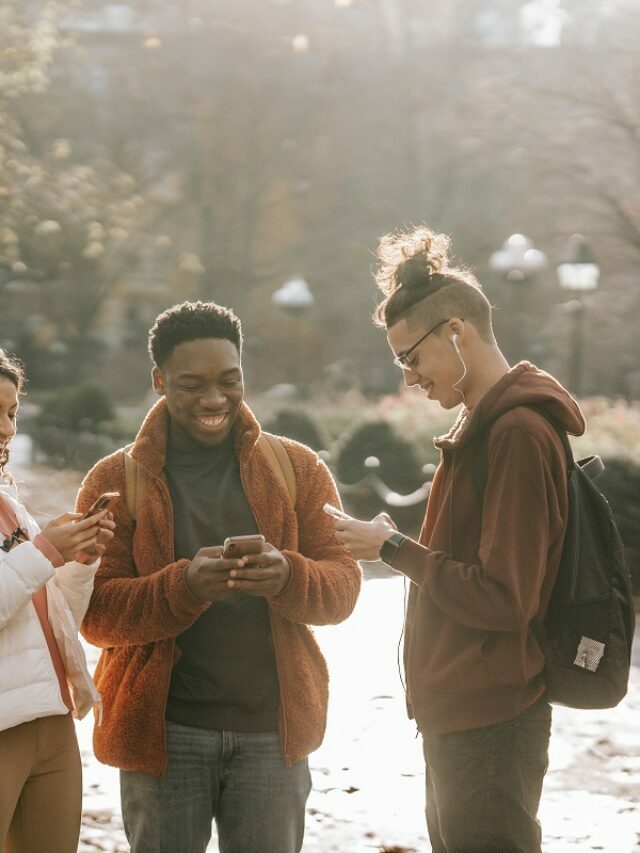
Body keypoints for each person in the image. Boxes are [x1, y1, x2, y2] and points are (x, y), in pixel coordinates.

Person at [332, 226, 586, 853]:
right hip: (465, 713)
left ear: (455, 330)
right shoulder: (487, 424)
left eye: (411, 358)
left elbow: (505, 598)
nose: (410, 379)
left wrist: (391, 549)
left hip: (492, 717)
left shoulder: (517, 432)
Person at [77, 300, 361, 853]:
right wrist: (182, 589)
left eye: (230, 381)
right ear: (159, 380)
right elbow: (95, 615)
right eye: (192, 384)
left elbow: (344, 588)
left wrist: (288, 576)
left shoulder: (296, 467)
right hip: (163, 736)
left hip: (274, 735)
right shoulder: (115, 480)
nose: (215, 399)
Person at [0, 348, 115, 853]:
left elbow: (55, 616)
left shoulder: (10, 505)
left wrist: (82, 560)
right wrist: (45, 551)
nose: (7, 429)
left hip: (52, 717)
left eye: (11, 411)